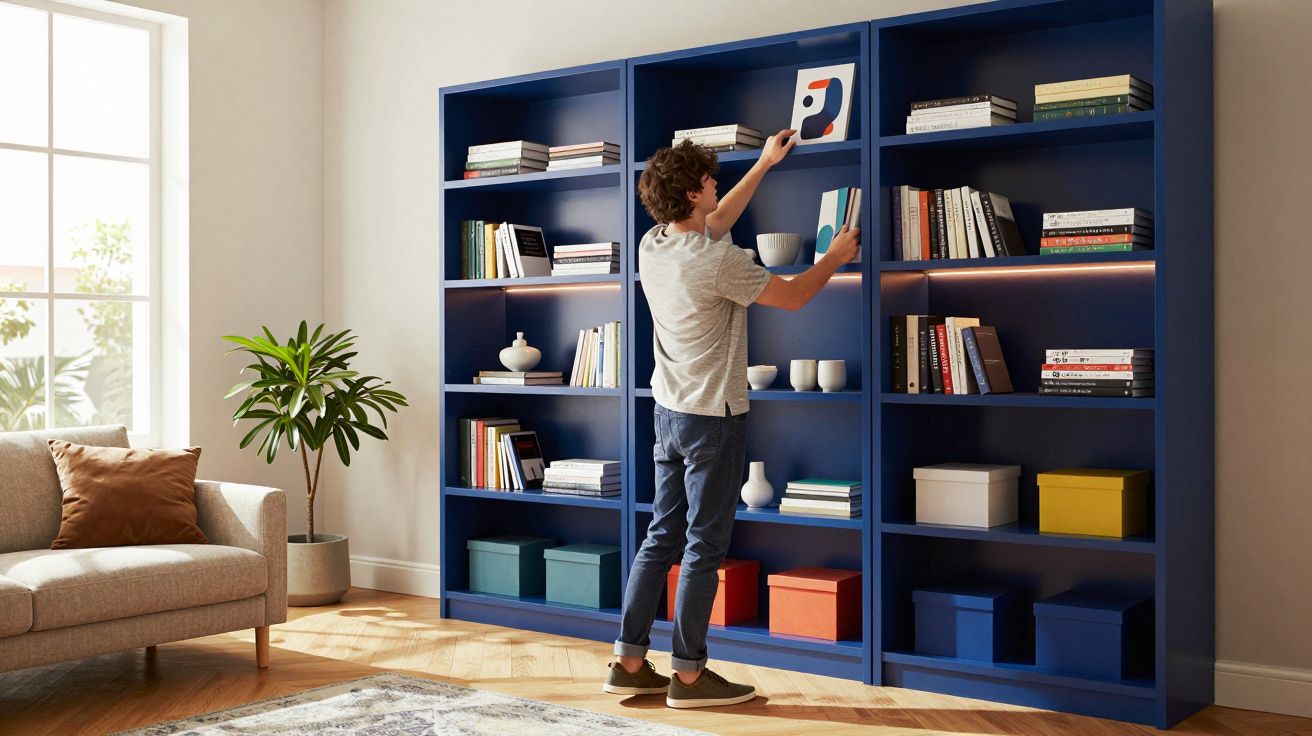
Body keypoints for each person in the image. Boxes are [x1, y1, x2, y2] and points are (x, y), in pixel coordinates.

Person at [603, 130, 861, 708]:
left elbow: (715, 220)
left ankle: (628, 660)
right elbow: (793, 297)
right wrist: (835, 259)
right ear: (694, 193)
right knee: (703, 546)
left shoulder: (655, 243)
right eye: (711, 181)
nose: (717, 187)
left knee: (659, 537)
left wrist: (766, 163)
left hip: (667, 414)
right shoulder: (718, 261)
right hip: (713, 420)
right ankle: (690, 677)